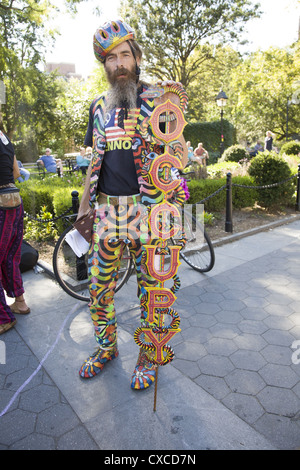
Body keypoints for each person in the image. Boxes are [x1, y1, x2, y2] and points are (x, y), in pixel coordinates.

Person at [76, 19, 188, 390]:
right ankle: (107, 347)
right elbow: (95, 159)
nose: (119, 63)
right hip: (109, 212)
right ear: (104, 66)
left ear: (137, 58)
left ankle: (148, 354)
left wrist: (172, 186)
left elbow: (174, 155)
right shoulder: (97, 107)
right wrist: (84, 206)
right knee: (98, 286)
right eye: (111, 58)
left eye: (125, 54)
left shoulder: (158, 101)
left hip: (148, 212)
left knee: (150, 290)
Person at [0, 129, 30, 335]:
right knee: (11, 256)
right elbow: (16, 173)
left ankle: (3, 318)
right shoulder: (4, 137)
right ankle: (20, 302)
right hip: (14, 199)